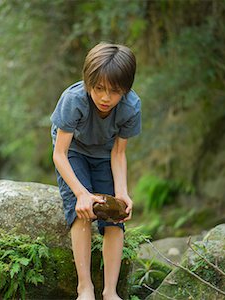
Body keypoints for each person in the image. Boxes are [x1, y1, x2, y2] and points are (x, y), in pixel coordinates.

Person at [50, 42, 141, 300]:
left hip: (104, 153)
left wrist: (122, 193)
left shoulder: (130, 107)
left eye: (114, 91)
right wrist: (81, 193)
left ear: (126, 89)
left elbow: (119, 153)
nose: (104, 97)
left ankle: (110, 291)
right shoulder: (74, 100)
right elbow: (59, 154)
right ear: (88, 81)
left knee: (115, 214)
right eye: (99, 88)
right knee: (84, 211)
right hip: (73, 151)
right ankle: (85, 288)